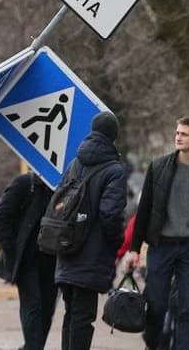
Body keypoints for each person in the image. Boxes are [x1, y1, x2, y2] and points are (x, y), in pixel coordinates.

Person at [126, 117, 189, 350]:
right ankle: (152, 344)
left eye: (184, 134)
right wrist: (133, 249)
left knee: (188, 309)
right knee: (157, 305)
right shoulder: (158, 167)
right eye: (177, 133)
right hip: (161, 247)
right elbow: (144, 211)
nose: (178, 137)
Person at [53, 111, 129, 350]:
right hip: (92, 254)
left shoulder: (74, 163)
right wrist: (116, 242)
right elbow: (110, 214)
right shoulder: (114, 170)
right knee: (83, 317)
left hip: (65, 248)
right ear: (113, 136)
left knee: (71, 314)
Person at [0, 170, 57, 350]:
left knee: (46, 309)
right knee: (33, 306)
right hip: (26, 260)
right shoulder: (24, 184)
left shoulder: (62, 188)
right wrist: (11, 252)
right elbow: (1, 218)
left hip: (52, 260)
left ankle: (32, 347)